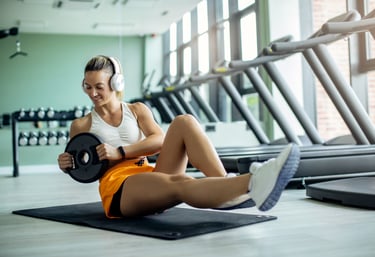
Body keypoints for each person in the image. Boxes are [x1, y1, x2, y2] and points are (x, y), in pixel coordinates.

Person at [57, 55, 300, 218]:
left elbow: (159, 140)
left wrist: (120, 151)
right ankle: (254, 181)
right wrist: (66, 165)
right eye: (88, 86)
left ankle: (226, 186)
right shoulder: (82, 124)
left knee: (184, 122)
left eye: (99, 86)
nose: (93, 93)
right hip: (120, 188)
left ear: (115, 82)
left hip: (149, 173)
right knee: (181, 181)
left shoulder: (137, 110)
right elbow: (80, 167)